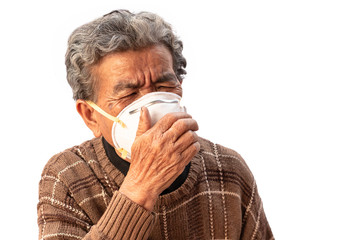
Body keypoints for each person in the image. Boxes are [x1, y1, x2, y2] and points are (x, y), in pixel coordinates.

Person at [37, 9, 274, 240]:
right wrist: (142, 185)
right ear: (89, 115)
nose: (150, 105)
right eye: (129, 93)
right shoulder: (68, 177)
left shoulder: (228, 170)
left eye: (164, 86)